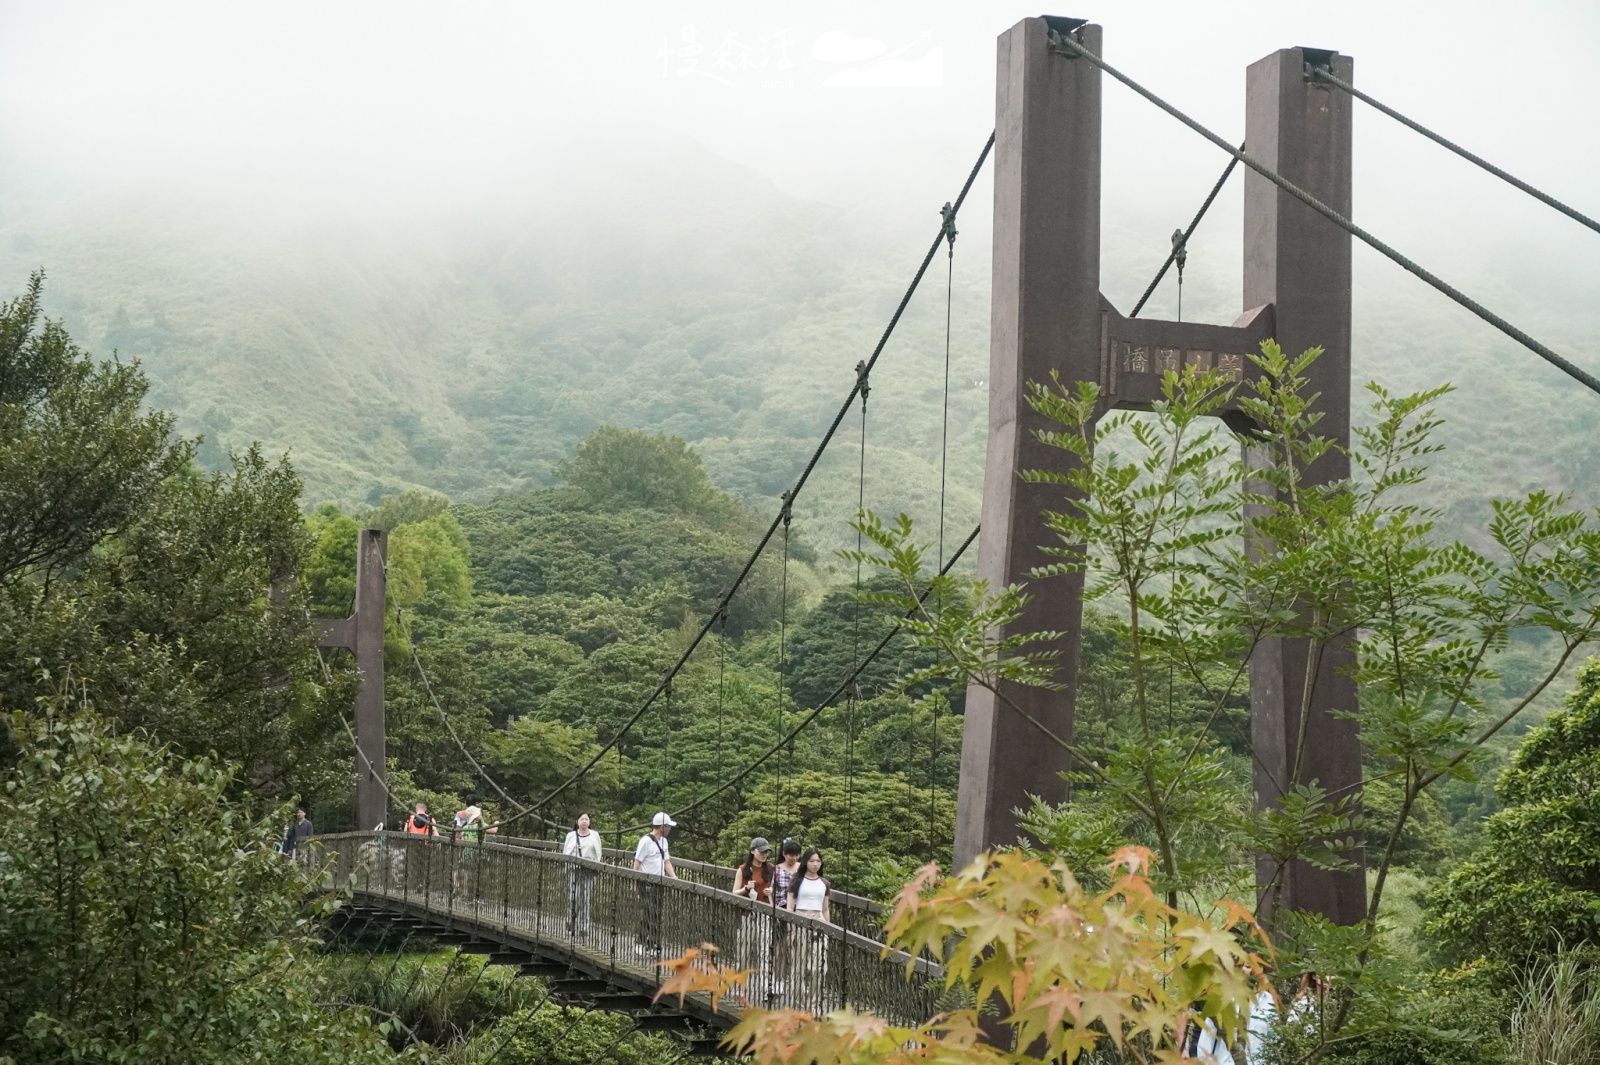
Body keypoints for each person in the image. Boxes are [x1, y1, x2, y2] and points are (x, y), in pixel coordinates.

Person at [632, 812, 677, 952]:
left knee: (657, 914)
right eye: (668, 826)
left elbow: (666, 861)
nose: (670, 828)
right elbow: (637, 863)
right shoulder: (645, 841)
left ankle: (651, 944)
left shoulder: (664, 842)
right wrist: (634, 885)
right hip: (646, 883)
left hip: (659, 883)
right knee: (648, 913)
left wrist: (674, 878)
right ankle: (641, 942)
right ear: (661, 827)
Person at [562, 812, 603, 935]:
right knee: (573, 897)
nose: (584, 821)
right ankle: (571, 920)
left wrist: (597, 867)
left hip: (588, 870)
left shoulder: (595, 835)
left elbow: (598, 852)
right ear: (577, 822)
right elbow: (565, 852)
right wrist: (566, 866)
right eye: (582, 819)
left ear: (589, 822)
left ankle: (584, 927)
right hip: (574, 869)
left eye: (586, 819)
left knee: (585, 898)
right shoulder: (571, 836)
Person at [787, 847, 831, 924]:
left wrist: (828, 927)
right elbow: (790, 907)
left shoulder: (824, 883)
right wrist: (790, 928)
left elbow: (825, 909)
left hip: (819, 919)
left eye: (818, 861)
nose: (815, 864)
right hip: (800, 918)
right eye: (812, 861)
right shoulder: (796, 880)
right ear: (805, 862)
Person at [731, 837, 773, 902]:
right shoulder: (743, 869)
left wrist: (771, 890)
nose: (764, 855)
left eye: (766, 852)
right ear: (752, 851)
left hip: (765, 908)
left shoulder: (771, 868)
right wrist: (746, 888)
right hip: (748, 907)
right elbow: (734, 893)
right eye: (761, 852)